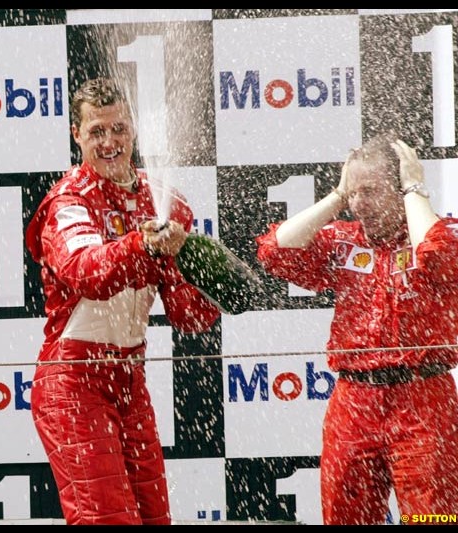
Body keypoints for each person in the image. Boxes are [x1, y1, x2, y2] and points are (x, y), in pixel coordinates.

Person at [25, 77, 221, 525]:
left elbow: (189, 318)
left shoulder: (165, 200)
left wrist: (212, 283)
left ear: (134, 131)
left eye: (119, 129)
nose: (110, 142)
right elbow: (84, 272)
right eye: (97, 132)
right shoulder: (69, 199)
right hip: (73, 383)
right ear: (77, 135)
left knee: (154, 518)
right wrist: (143, 246)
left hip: (129, 380)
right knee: (108, 519)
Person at [255, 132, 458, 525]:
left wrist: (415, 186)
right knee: (344, 513)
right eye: (354, 193)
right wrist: (336, 196)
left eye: (371, 191)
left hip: (424, 397)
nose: (359, 205)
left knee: (434, 516)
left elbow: (436, 256)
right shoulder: (343, 241)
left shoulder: (443, 231)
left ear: (401, 189)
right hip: (354, 400)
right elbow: (275, 252)